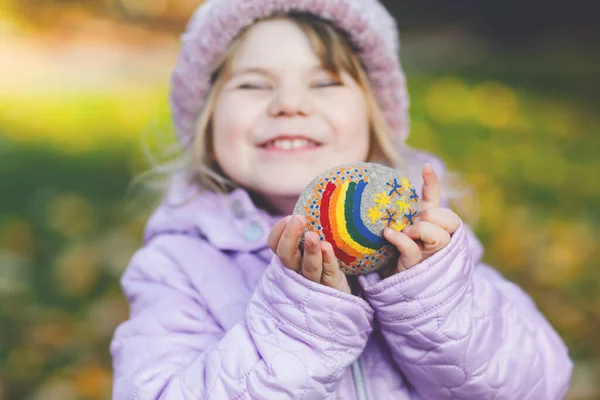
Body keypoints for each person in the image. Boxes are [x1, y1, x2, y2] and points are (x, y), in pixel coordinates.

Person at [110, 1, 573, 399]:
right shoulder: (180, 265)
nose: (290, 104)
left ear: (375, 118)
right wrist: (300, 323)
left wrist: (431, 298)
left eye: (326, 83)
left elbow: (539, 382)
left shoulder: (431, 246)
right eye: (253, 84)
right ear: (206, 125)